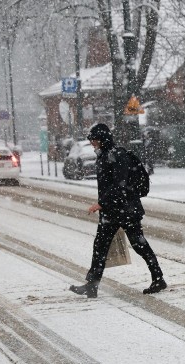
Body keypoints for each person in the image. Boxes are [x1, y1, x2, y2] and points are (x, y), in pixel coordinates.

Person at [69, 123, 167, 298]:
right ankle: (92, 285)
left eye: (94, 140)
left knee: (139, 245)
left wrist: (101, 203)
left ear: (103, 139)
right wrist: (105, 204)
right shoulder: (104, 155)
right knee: (100, 246)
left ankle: (158, 278)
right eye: (91, 140)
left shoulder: (117, 155)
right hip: (112, 211)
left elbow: (120, 184)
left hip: (126, 210)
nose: (92, 143)